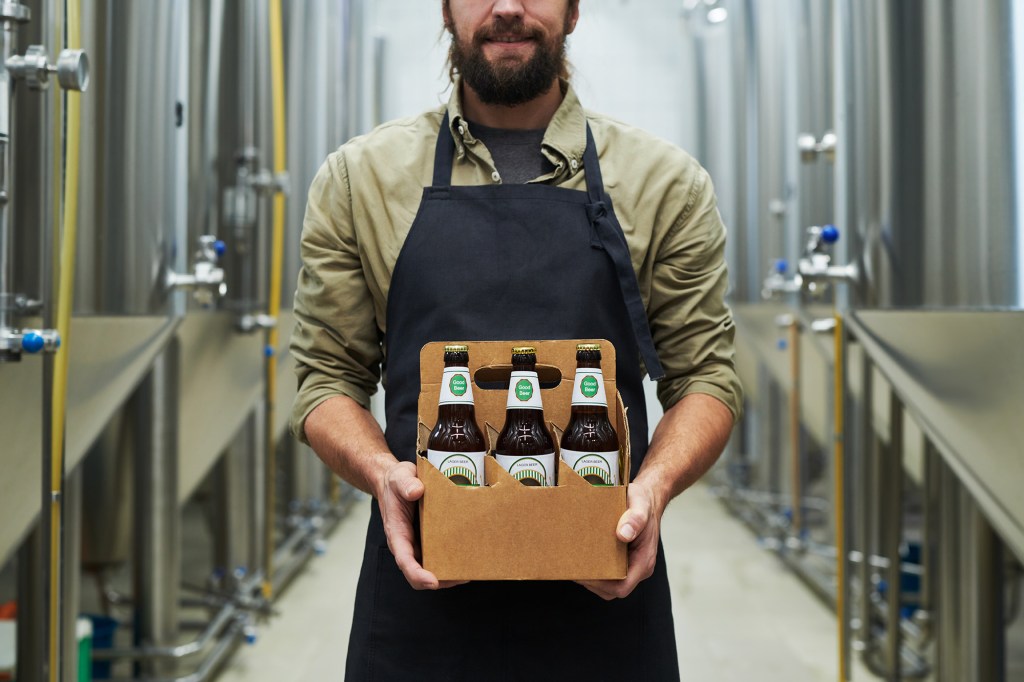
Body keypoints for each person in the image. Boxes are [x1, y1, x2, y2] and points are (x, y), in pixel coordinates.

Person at [290, 1, 742, 679]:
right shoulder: (362, 179)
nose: (506, 7)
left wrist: (655, 487)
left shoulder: (663, 182)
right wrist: (384, 475)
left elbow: (706, 377)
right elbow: (325, 379)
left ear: (574, 8)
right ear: (445, 7)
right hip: (425, 594)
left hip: (604, 592)